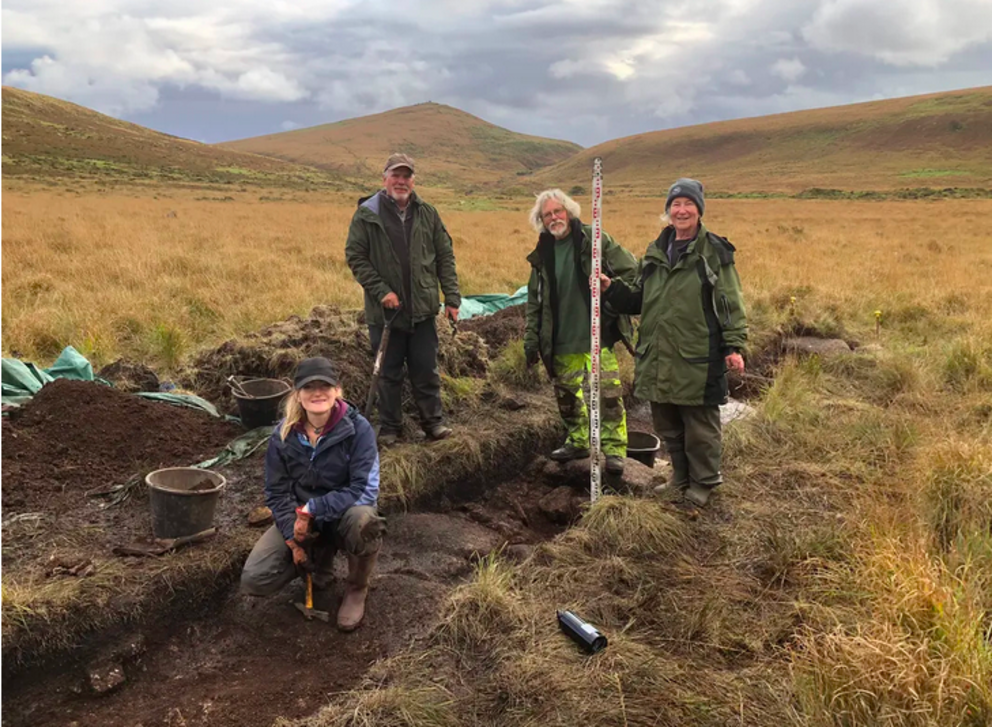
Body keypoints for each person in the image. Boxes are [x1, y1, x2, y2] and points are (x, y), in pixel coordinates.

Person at [601, 179, 747, 506]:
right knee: (667, 421)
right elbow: (638, 298)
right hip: (658, 353)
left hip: (697, 353)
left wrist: (733, 346)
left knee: (699, 424)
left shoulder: (714, 251)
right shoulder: (656, 251)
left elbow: (729, 303)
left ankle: (705, 484)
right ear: (668, 211)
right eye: (675, 205)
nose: (681, 211)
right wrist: (611, 287)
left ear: (698, 210)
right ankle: (680, 478)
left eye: (687, 204)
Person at [240, 357, 386, 631]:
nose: (317, 392)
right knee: (255, 578)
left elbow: (362, 490)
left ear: (337, 390)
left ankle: (356, 589)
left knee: (364, 521)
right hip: (302, 519)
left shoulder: (359, 430)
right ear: (297, 394)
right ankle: (319, 562)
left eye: (325, 385)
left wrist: (312, 510)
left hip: (343, 514)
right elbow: (276, 492)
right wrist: (293, 540)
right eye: (309, 387)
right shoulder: (283, 435)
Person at [345, 153, 461, 447]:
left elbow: (444, 256)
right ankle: (390, 428)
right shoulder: (367, 213)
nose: (401, 181)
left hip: (422, 309)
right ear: (384, 178)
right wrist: (382, 290)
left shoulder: (427, 213)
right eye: (395, 175)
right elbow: (356, 257)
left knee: (425, 369)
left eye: (406, 176)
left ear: (413, 180)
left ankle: (433, 423)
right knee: (388, 372)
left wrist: (452, 298)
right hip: (385, 313)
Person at [523, 189, 638, 475]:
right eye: (547, 214)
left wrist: (610, 288)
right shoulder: (542, 253)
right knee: (567, 397)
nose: (554, 218)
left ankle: (614, 450)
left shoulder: (595, 239)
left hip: (599, 334)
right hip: (559, 338)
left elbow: (633, 270)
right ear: (541, 220)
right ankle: (578, 441)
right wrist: (531, 338)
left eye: (557, 211)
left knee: (609, 395)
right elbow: (534, 300)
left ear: (569, 211)